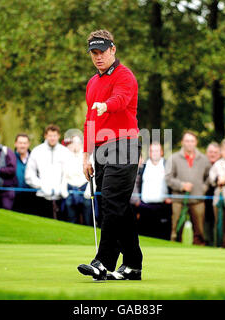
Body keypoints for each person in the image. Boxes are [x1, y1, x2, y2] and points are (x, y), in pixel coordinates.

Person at [77, 29, 143, 281]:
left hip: (125, 144)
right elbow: (89, 121)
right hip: (102, 150)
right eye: (93, 53)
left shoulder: (125, 76)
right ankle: (133, 264)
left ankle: (102, 262)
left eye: (102, 51)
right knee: (119, 206)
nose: (98, 57)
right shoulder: (93, 83)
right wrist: (86, 155)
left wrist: (106, 105)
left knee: (111, 203)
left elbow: (121, 99)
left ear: (113, 49)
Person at [165, 131, 212, 244]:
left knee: (199, 231)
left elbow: (210, 177)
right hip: (179, 200)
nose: (189, 143)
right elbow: (168, 178)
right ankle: (175, 250)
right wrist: (181, 185)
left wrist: (203, 188)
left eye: (192, 141)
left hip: (197, 200)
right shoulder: (174, 158)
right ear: (182, 142)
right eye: (187, 141)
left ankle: (199, 252)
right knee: (176, 229)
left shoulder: (204, 159)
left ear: (196, 142)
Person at [25, 124, 70, 219]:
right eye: (50, 135)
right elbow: (29, 174)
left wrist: (63, 186)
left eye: (54, 136)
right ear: (45, 136)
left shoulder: (65, 152)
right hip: (42, 196)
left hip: (61, 197)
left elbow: (68, 173)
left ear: (59, 136)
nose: (52, 138)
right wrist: (41, 185)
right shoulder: (37, 151)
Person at [133, 142, 172, 240]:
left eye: (157, 151)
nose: (154, 153)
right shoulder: (144, 166)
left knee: (162, 236)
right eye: (152, 151)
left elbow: (173, 182)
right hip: (145, 207)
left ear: (162, 152)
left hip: (162, 207)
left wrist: (171, 197)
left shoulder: (168, 165)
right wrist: (137, 201)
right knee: (144, 236)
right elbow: (136, 184)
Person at [61, 135, 93, 225]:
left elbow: (92, 174)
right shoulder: (66, 156)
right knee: (71, 220)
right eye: (73, 143)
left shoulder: (88, 156)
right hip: (70, 191)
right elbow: (64, 175)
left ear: (81, 144)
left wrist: (89, 192)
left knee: (87, 220)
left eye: (77, 143)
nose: (75, 145)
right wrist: (64, 192)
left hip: (85, 190)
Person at [12, 133, 37, 215]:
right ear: (15, 144)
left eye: (25, 143)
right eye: (20, 143)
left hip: (32, 196)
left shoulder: (34, 158)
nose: (22, 145)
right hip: (15, 197)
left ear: (28, 144)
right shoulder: (10, 158)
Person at [204, 142, 221, 246]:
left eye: (215, 152)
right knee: (206, 224)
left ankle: (218, 244)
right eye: (210, 152)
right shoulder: (202, 163)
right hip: (204, 200)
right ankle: (207, 243)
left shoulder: (223, 165)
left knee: (218, 224)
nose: (213, 154)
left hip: (219, 199)